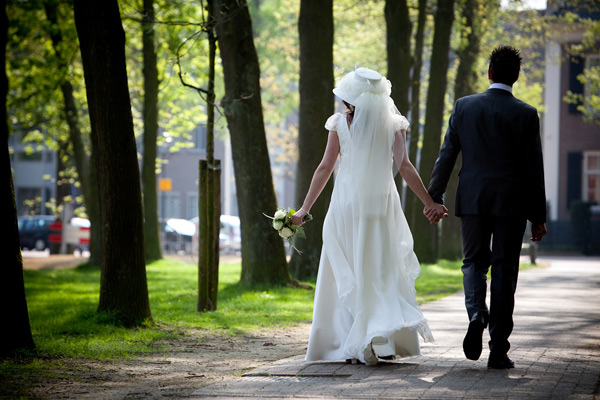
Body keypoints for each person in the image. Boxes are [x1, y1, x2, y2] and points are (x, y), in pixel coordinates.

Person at [291, 67, 447, 365]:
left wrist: (304, 209)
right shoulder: (393, 124)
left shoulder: (338, 124)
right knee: (378, 268)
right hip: (379, 206)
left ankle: (344, 341)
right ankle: (381, 341)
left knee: (345, 270)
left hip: (345, 205)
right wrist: (430, 202)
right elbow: (404, 167)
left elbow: (325, 168)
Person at [427, 46, 547, 369]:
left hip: (473, 200)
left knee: (473, 263)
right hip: (512, 205)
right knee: (505, 272)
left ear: (489, 72)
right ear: (516, 77)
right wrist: (538, 218)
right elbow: (534, 169)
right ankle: (498, 350)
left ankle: (477, 315)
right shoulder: (526, 114)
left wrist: (433, 196)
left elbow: (447, 155)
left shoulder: (464, 107)